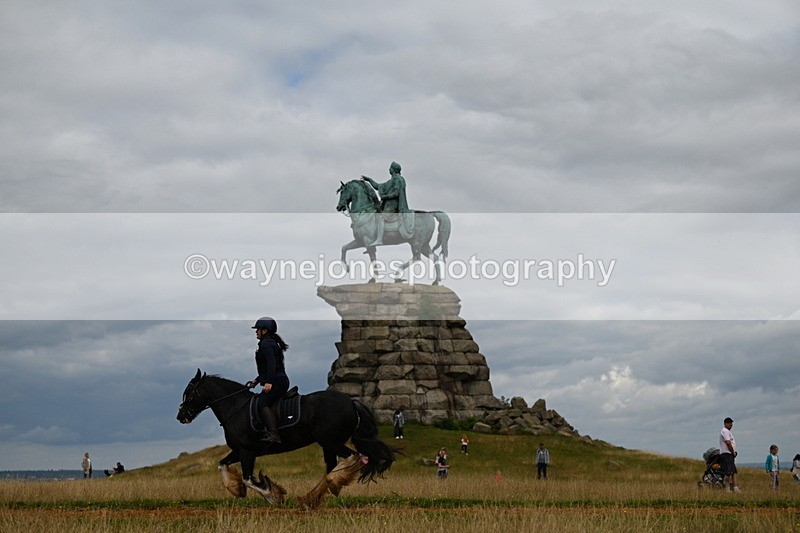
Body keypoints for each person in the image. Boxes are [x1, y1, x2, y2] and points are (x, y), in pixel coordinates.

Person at [245, 316, 290, 445]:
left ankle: (274, 434)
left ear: (264, 330)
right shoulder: (268, 343)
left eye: (257, 329)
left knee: (262, 403)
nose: (256, 332)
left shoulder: (266, 344)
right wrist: (257, 380)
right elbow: (267, 368)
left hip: (277, 381)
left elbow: (272, 364)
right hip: (278, 379)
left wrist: (269, 382)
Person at [361, 161, 411, 246]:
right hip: (388, 205)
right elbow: (378, 186)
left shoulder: (398, 179)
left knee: (380, 217)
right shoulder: (391, 181)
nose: (389, 169)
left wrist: (385, 197)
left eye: (390, 168)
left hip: (393, 206)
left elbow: (396, 193)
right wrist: (370, 180)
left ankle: (379, 239)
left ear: (394, 170)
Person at [718, 417, 740, 492]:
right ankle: (727, 488)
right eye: (729, 423)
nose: (730, 424)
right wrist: (732, 452)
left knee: (733, 471)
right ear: (725, 424)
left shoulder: (728, 431)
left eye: (731, 423)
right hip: (727, 454)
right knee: (728, 472)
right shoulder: (725, 431)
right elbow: (728, 442)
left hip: (730, 454)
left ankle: (735, 487)